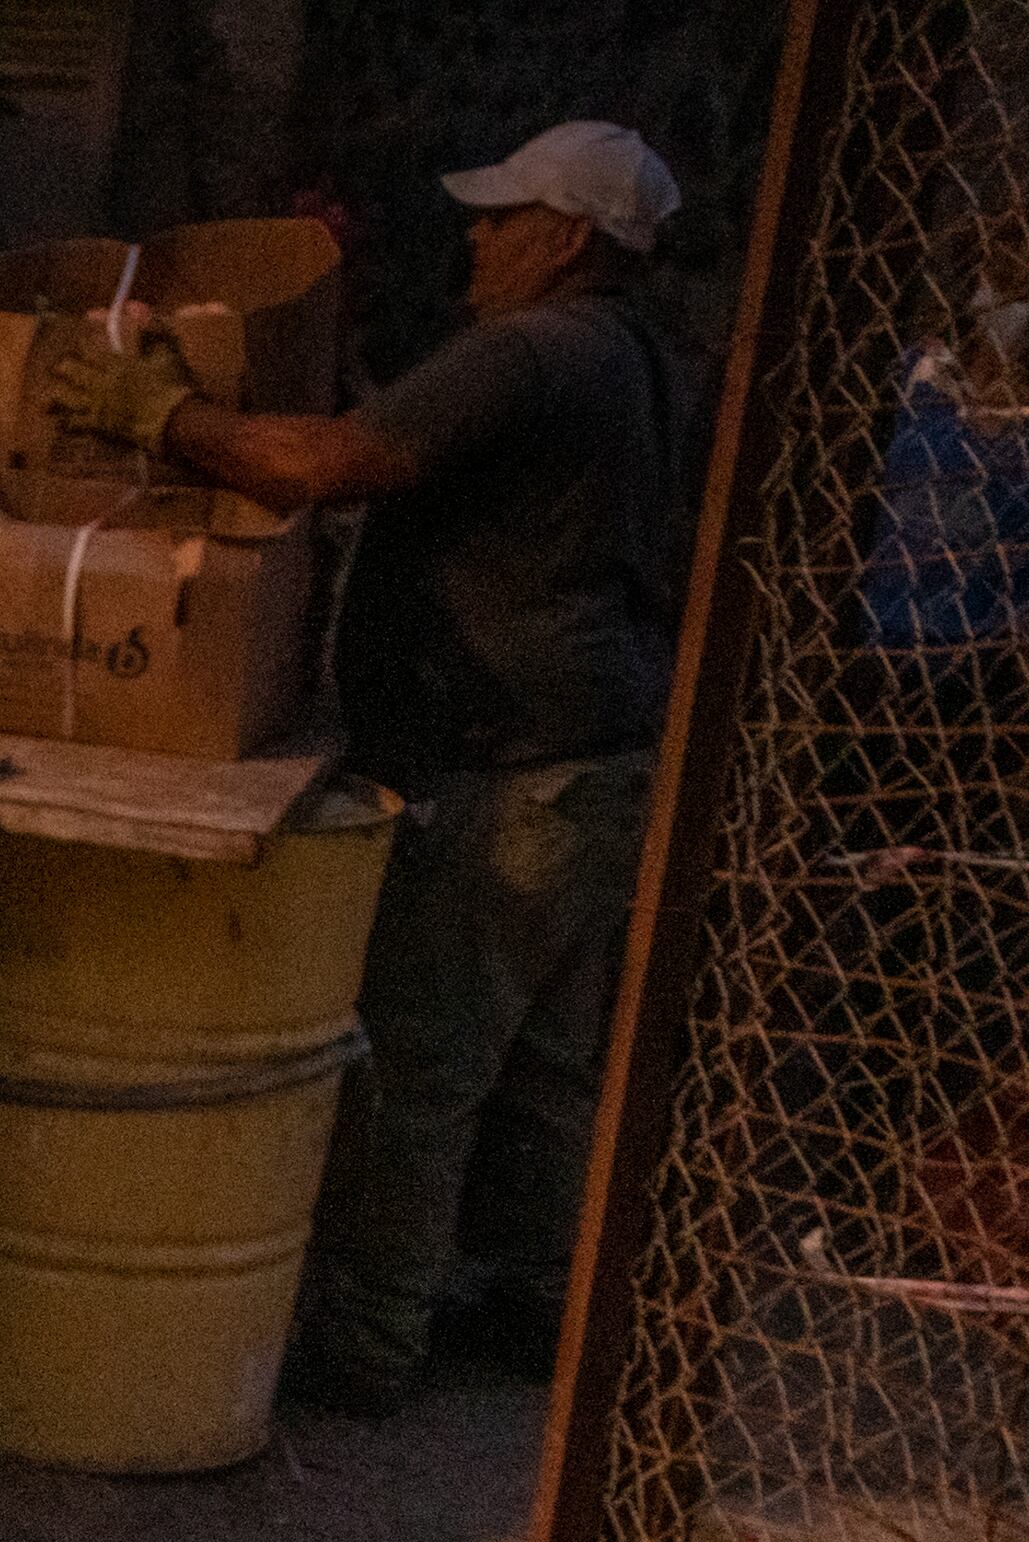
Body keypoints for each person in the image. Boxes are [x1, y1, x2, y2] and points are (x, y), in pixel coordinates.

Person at [49, 119, 702, 1414]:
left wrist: (161, 414)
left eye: (503, 214)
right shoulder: (645, 362)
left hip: (508, 770)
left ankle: (367, 1347)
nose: (476, 233)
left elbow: (323, 468)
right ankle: (534, 1312)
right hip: (606, 762)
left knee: (421, 1067)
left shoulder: (528, 352)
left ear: (568, 238)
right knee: (549, 1067)